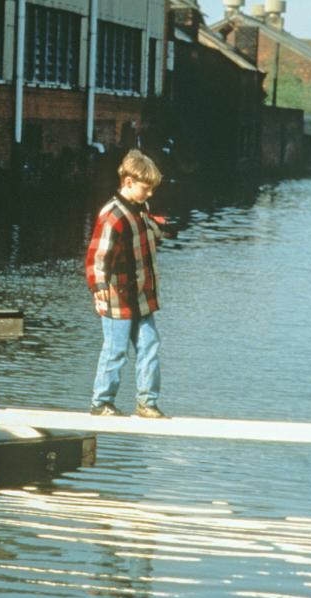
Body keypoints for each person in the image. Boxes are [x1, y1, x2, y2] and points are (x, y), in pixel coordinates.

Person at [85, 149, 171, 419]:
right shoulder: (113, 215)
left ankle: (147, 403)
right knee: (116, 350)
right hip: (116, 298)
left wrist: (161, 228)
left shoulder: (139, 211)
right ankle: (101, 402)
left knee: (150, 345)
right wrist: (99, 290)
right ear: (129, 182)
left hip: (141, 297)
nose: (150, 194)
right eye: (146, 188)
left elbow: (150, 235)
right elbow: (98, 258)